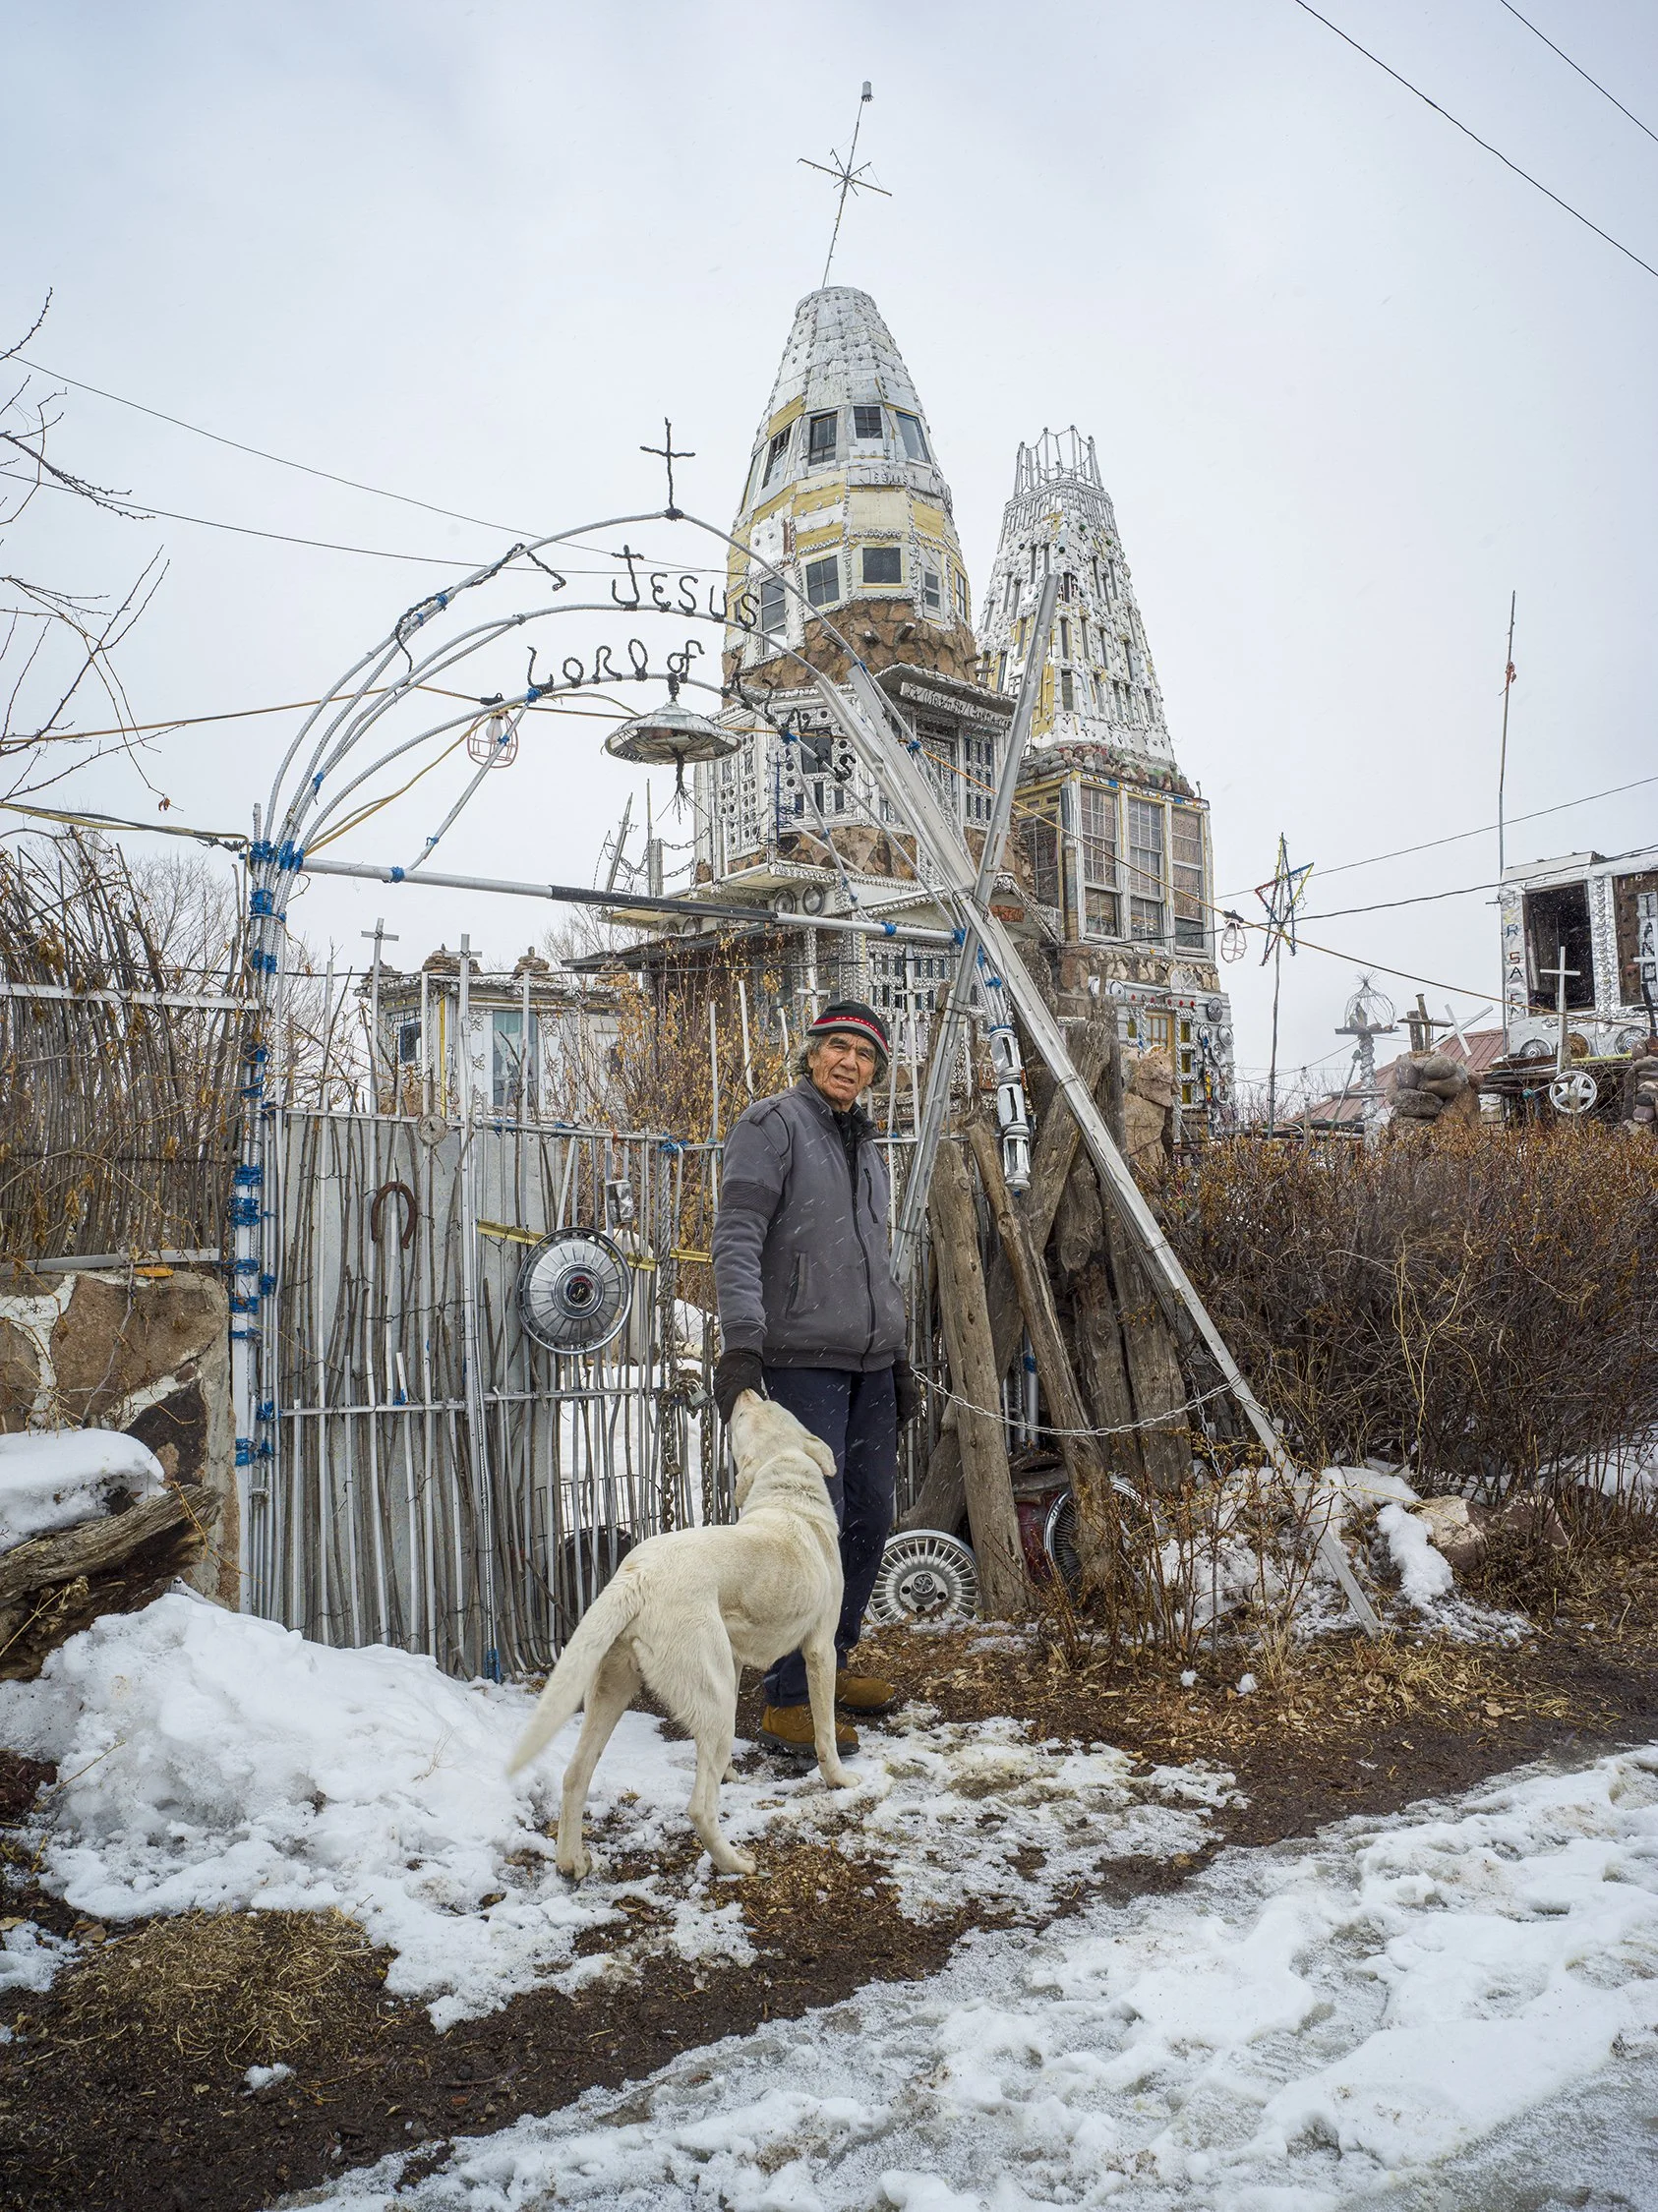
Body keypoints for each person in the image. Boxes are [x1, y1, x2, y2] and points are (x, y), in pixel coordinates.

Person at [710, 998, 917, 1755]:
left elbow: (873, 1262)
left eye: (863, 1056)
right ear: (811, 1053)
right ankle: (787, 1698)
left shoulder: (865, 1144)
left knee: (867, 1519)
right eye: (836, 1048)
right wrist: (742, 1345)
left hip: (867, 1364)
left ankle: (835, 1659)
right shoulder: (773, 1126)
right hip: (798, 1361)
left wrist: (897, 1355)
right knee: (802, 1534)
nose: (849, 1064)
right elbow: (735, 1234)